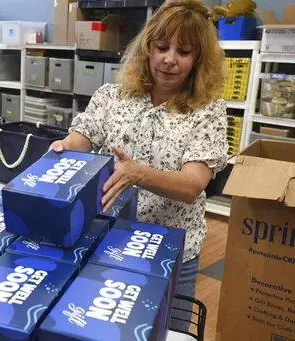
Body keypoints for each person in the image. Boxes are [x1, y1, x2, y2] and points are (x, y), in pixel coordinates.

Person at [51, 0, 228, 331]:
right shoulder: (113, 96)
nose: (169, 59)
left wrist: (139, 174)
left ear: (199, 60)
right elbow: (84, 135)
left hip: (172, 252)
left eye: (184, 51)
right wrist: (65, 147)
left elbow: (192, 185)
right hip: (109, 242)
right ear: (148, 47)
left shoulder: (208, 112)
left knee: (167, 332)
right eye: (161, 46)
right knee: (102, 329)